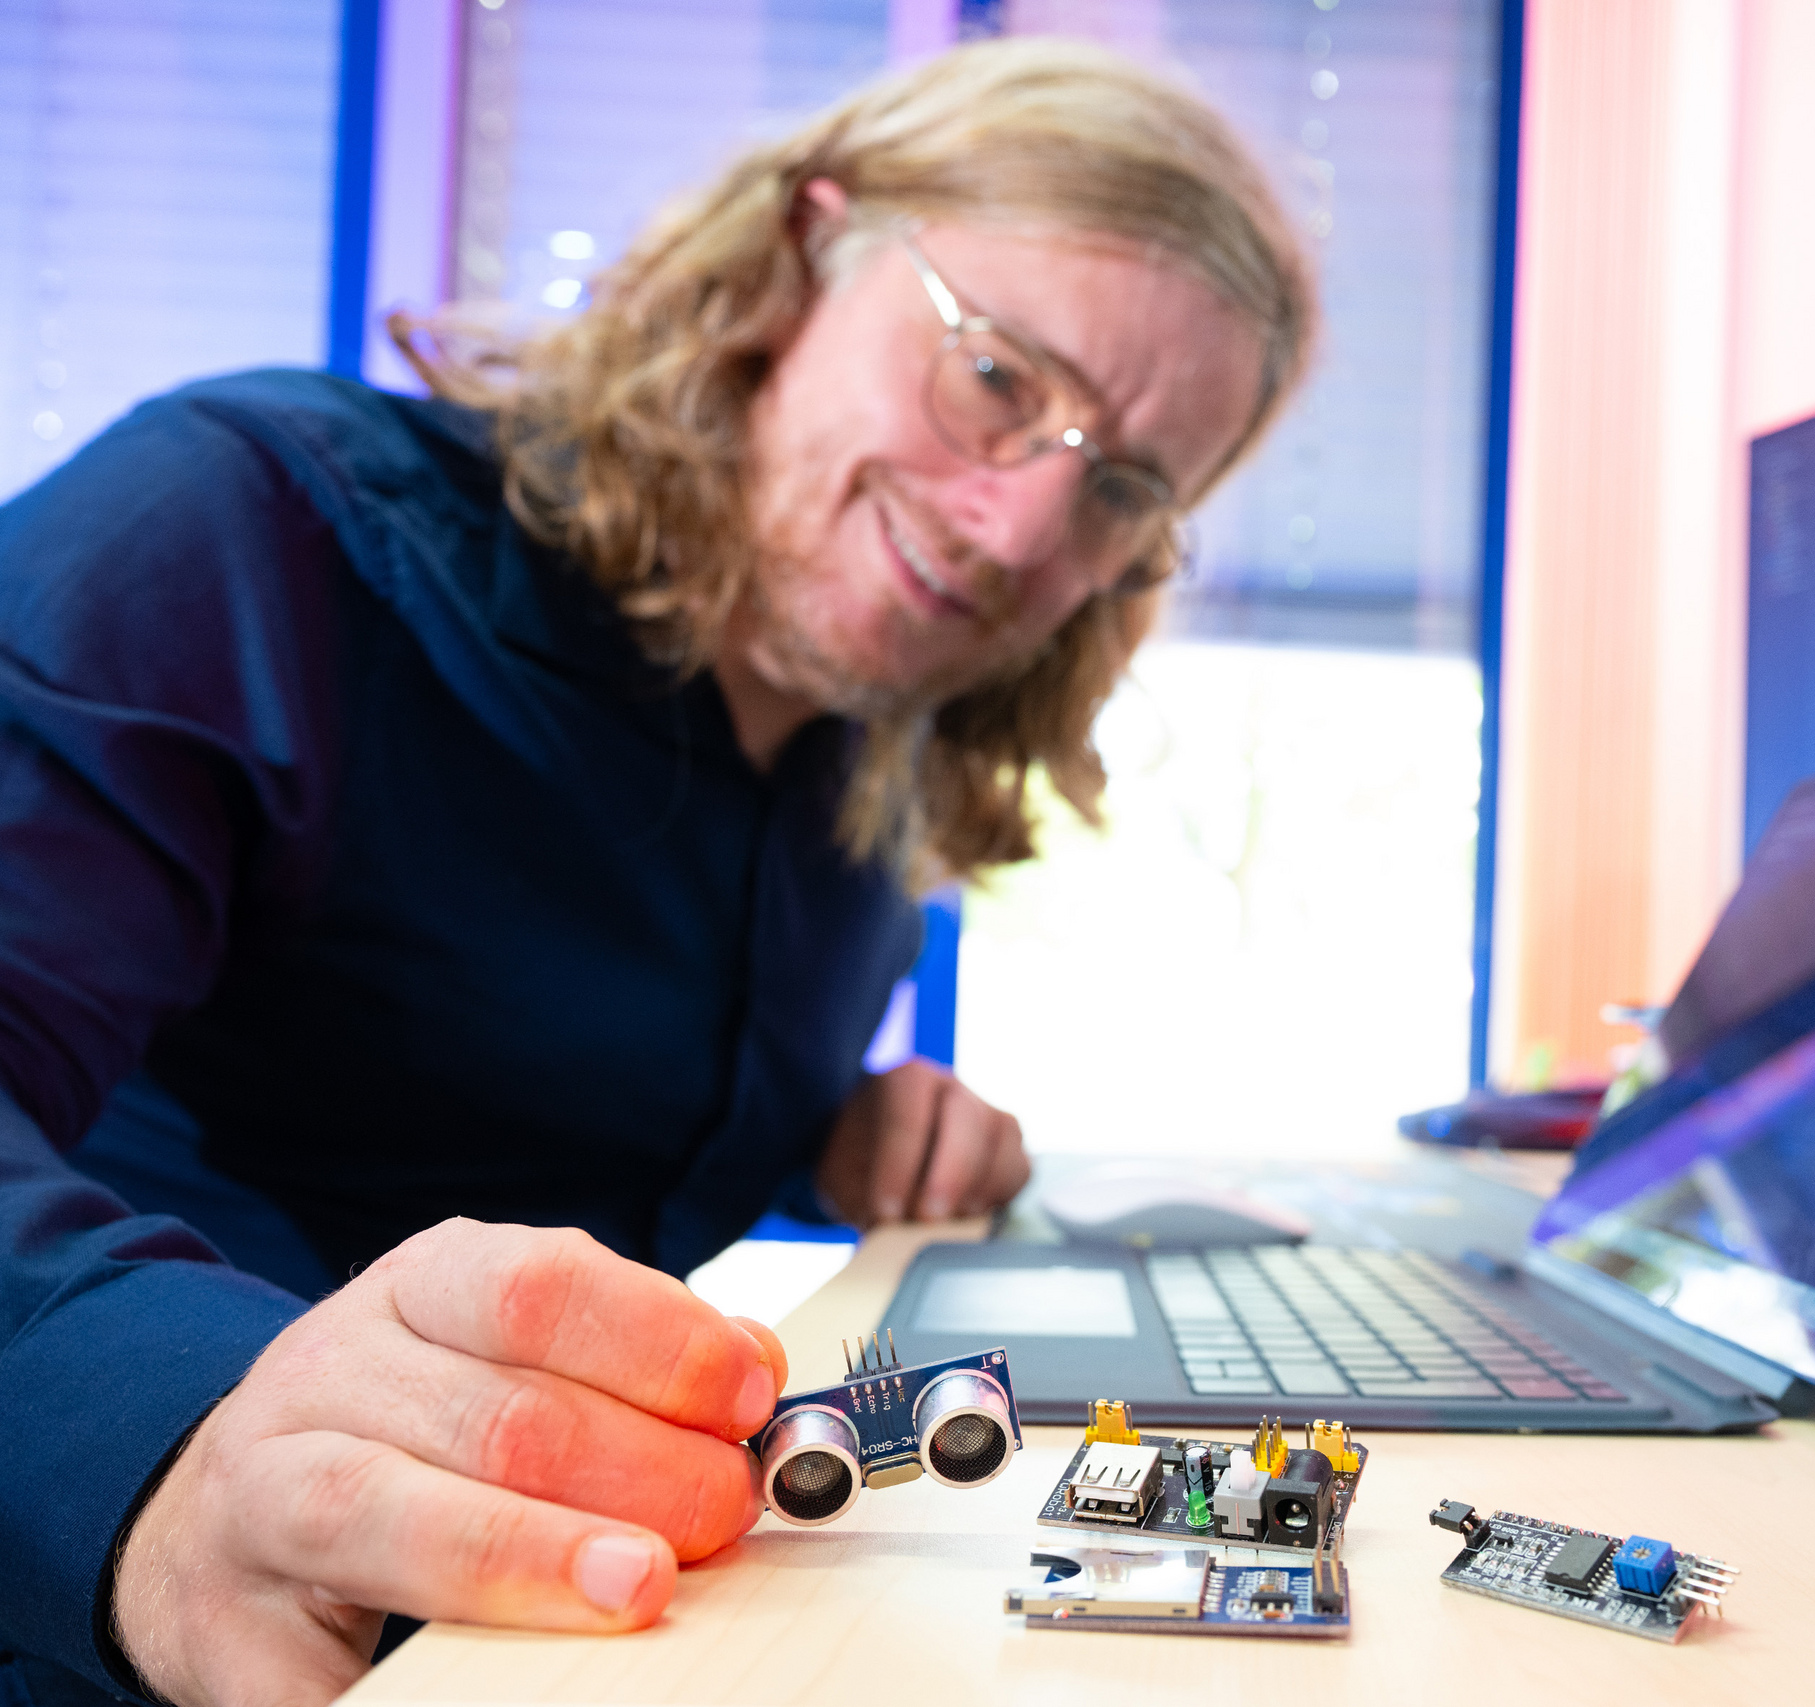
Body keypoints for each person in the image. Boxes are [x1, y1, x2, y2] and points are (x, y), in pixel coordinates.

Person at [0, 39, 1314, 1707]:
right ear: (800, 259)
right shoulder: (249, 524)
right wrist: (165, 1451)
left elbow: (543, 1104)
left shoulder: (855, 776)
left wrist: (829, 1127)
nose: (1016, 532)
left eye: (1124, 486)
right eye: (993, 377)